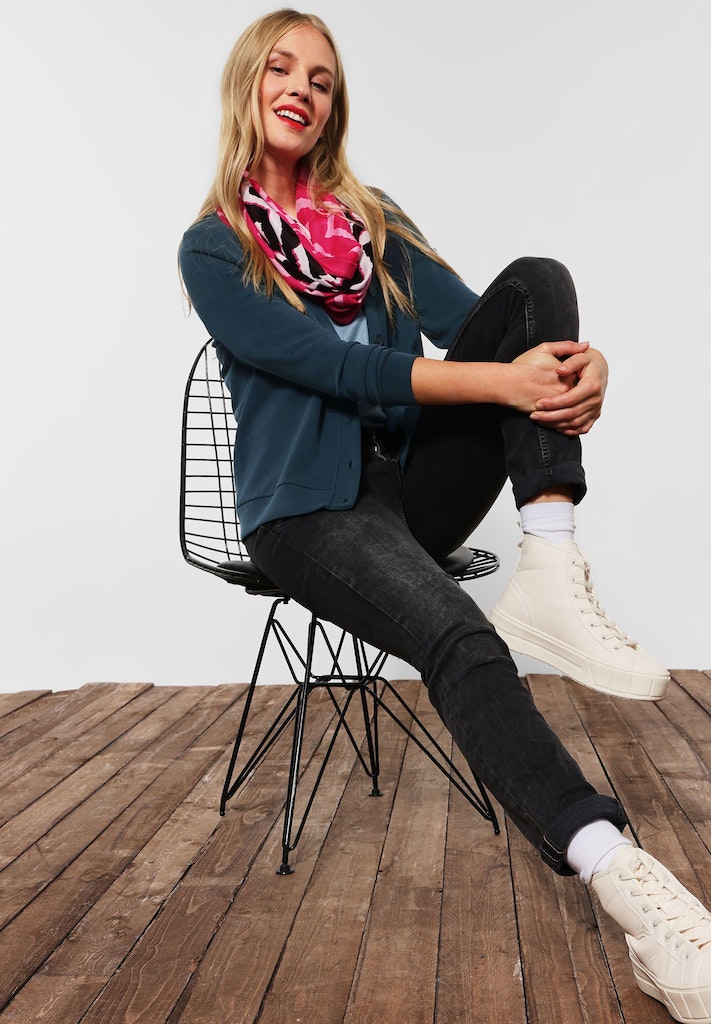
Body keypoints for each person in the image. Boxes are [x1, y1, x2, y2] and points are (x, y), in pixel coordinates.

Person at [179, 10, 711, 1021]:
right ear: (247, 86)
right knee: (461, 637)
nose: (301, 89)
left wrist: (574, 368)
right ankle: (628, 884)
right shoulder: (214, 248)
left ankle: (548, 559)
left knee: (538, 286)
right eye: (281, 69)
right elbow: (335, 368)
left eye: (322, 79)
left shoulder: (374, 221)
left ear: (334, 107)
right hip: (305, 514)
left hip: (407, 489)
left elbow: (485, 324)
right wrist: (503, 382)